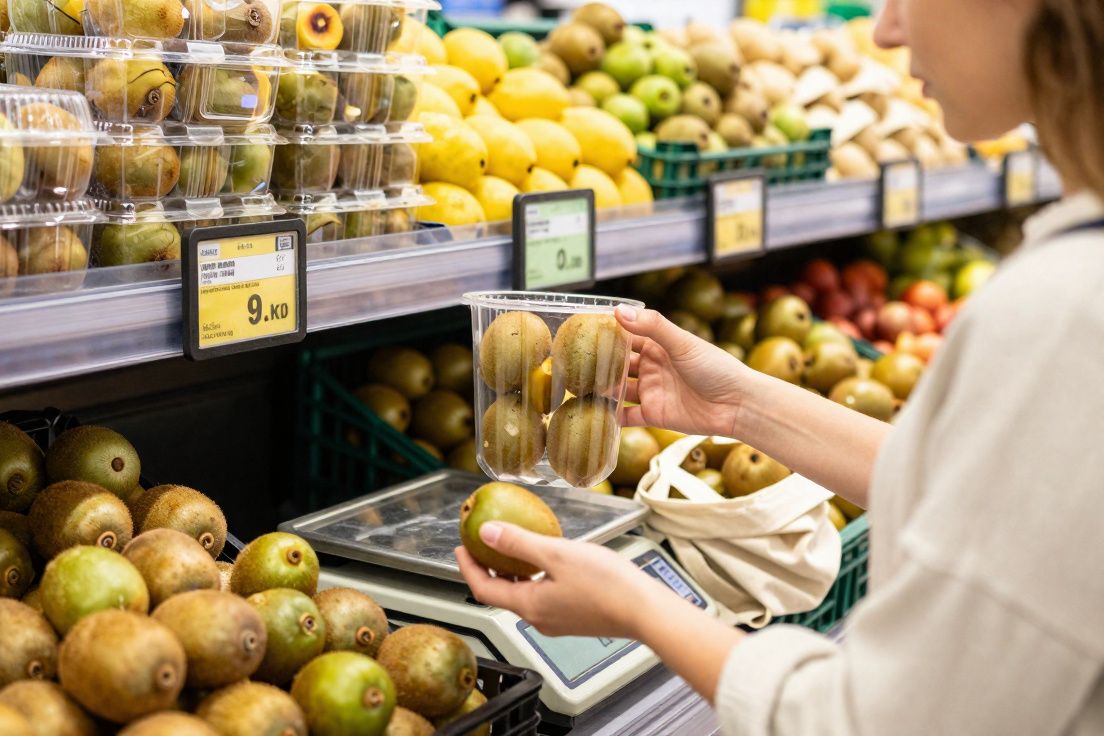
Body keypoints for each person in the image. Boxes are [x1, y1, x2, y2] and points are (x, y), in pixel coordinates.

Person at [454, 0, 1104, 732]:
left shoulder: (1064, 314)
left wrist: (639, 607)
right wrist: (740, 408)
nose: (886, 29)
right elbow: (1001, 506)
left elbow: (876, 721)